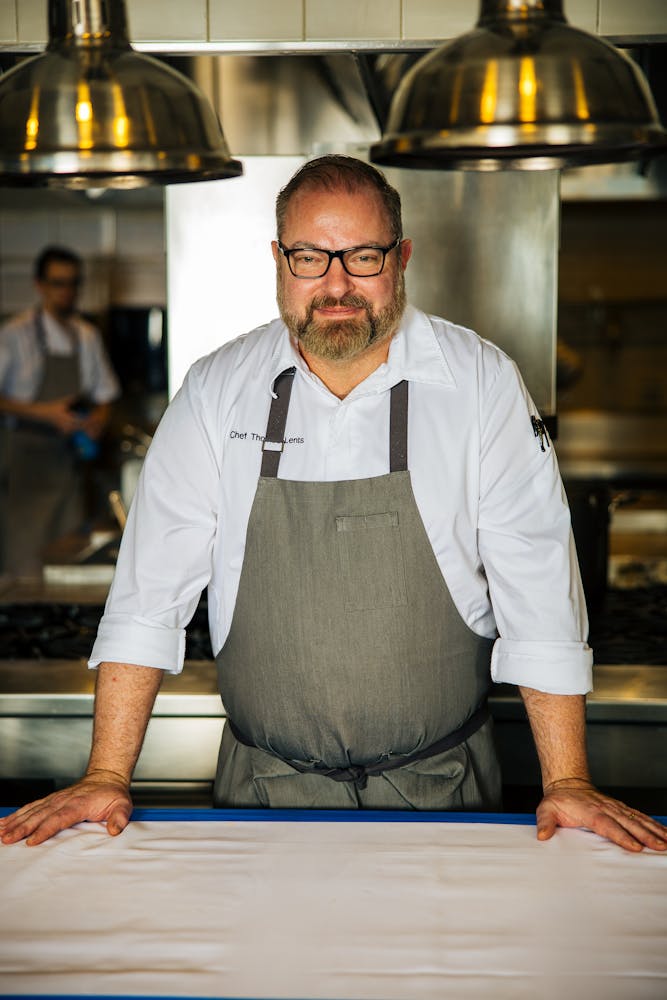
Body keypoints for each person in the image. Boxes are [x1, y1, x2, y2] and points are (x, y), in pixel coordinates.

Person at [1, 157, 665, 853]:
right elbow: (147, 596)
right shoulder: (215, 389)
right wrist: (106, 771)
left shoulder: (480, 384)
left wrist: (567, 782)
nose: (336, 283)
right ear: (279, 260)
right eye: (310, 257)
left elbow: (538, 593)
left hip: (445, 798)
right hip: (261, 803)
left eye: (364, 256)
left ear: (402, 258)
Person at [0, 245, 120, 575]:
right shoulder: (15, 334)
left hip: (68, 469)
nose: (66, 292)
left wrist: (97, 420)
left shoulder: (86, 336)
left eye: (72, 283)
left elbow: (106, 396)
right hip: (26, 471)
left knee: (67, 564)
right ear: (39, 285)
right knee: (23, 567)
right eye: (58, 283)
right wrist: (46, 413)